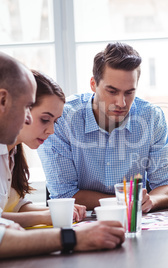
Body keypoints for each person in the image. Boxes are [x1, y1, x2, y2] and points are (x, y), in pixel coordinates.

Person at [0, 52, 125, 258]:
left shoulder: (8, 154)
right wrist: (74, 237)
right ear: (3, 100)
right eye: (26, 108)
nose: (28, 118)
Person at [38, 42, 168, 211]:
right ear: (93, 84)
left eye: (129, 92)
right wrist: (125, 201)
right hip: (83, 222)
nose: (121, 102)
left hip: (135, 219)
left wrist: (152, 201)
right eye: (112, 91)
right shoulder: (61, 118)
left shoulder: (151, 117)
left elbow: (167, 186)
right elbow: (64, 195)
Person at [1, 70, 87, 228]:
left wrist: (57, 210)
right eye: (45, 119)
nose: (51, 131)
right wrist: (45, 216)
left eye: (55, 121)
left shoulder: (13, 152)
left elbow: (18, 206)